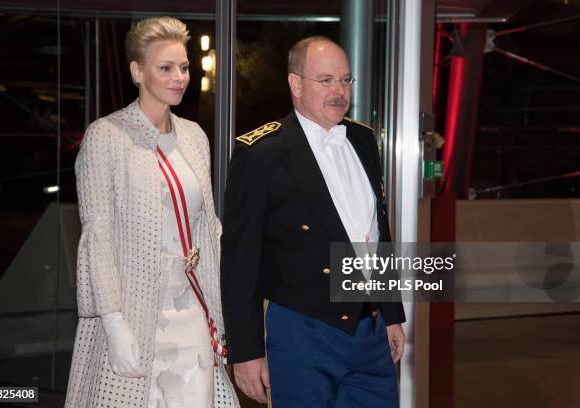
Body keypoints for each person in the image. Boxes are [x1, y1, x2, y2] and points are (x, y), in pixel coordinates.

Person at [220, 36, 406, 407]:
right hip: (302, 332)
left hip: (369, 332)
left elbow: (375, 231)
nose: (339, 91)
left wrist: (390, 313)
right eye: (326, 80)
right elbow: (239, 262)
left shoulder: (364, 140)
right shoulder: (261, 154)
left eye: (345, 80)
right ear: (295, 84)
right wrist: (245, 351)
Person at [65, 17, 238, 408]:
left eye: (184, 67)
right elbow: (98, 235)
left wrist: (227, 306)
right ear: (137, 71)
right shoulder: (106, 136)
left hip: (191, 307)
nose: (179, 77)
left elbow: (208, 229)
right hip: (134, 311)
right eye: (165, 68)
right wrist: (112, 321)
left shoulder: (194, 136)